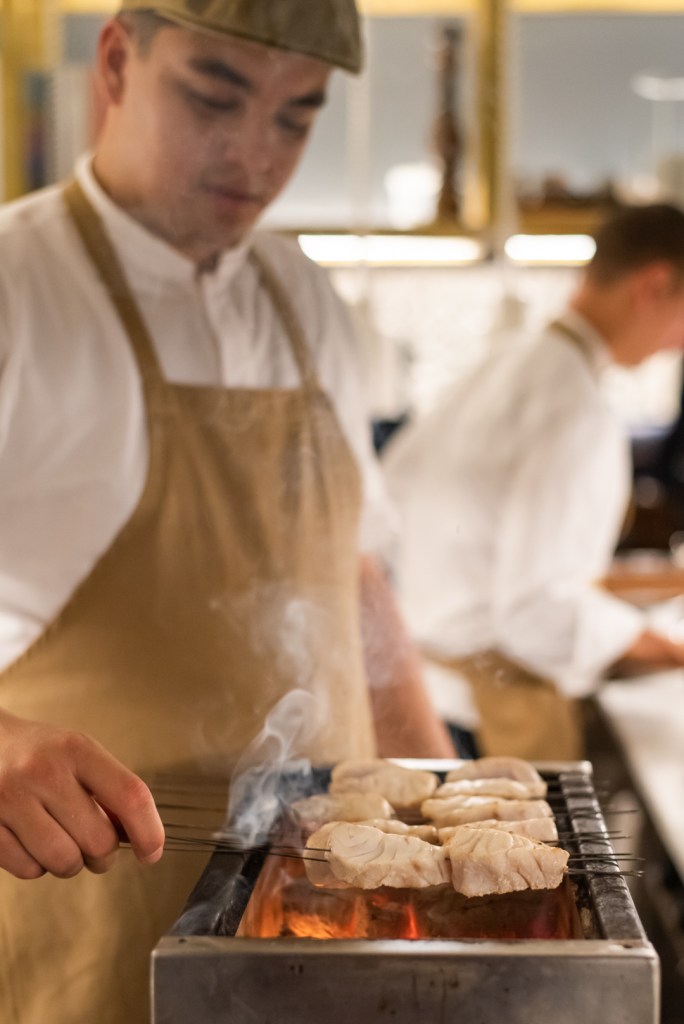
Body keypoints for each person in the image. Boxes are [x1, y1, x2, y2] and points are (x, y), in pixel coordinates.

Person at [0, 2, 455, 1021]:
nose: (255, 155)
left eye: (297, 118)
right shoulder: (15, 290)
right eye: (215, 97)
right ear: (117, 61)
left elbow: (353, 577)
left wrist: (441, 794)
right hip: (90, 933)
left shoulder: (307, 300)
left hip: (334, 930)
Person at [382, 203, 684, 763]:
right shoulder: (575, 411)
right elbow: (537, 616)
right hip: (492, 716)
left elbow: (386, 508)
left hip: (429, 691)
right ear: (655, 284)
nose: (679, 343)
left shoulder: (506, 363)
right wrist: (667, 647)